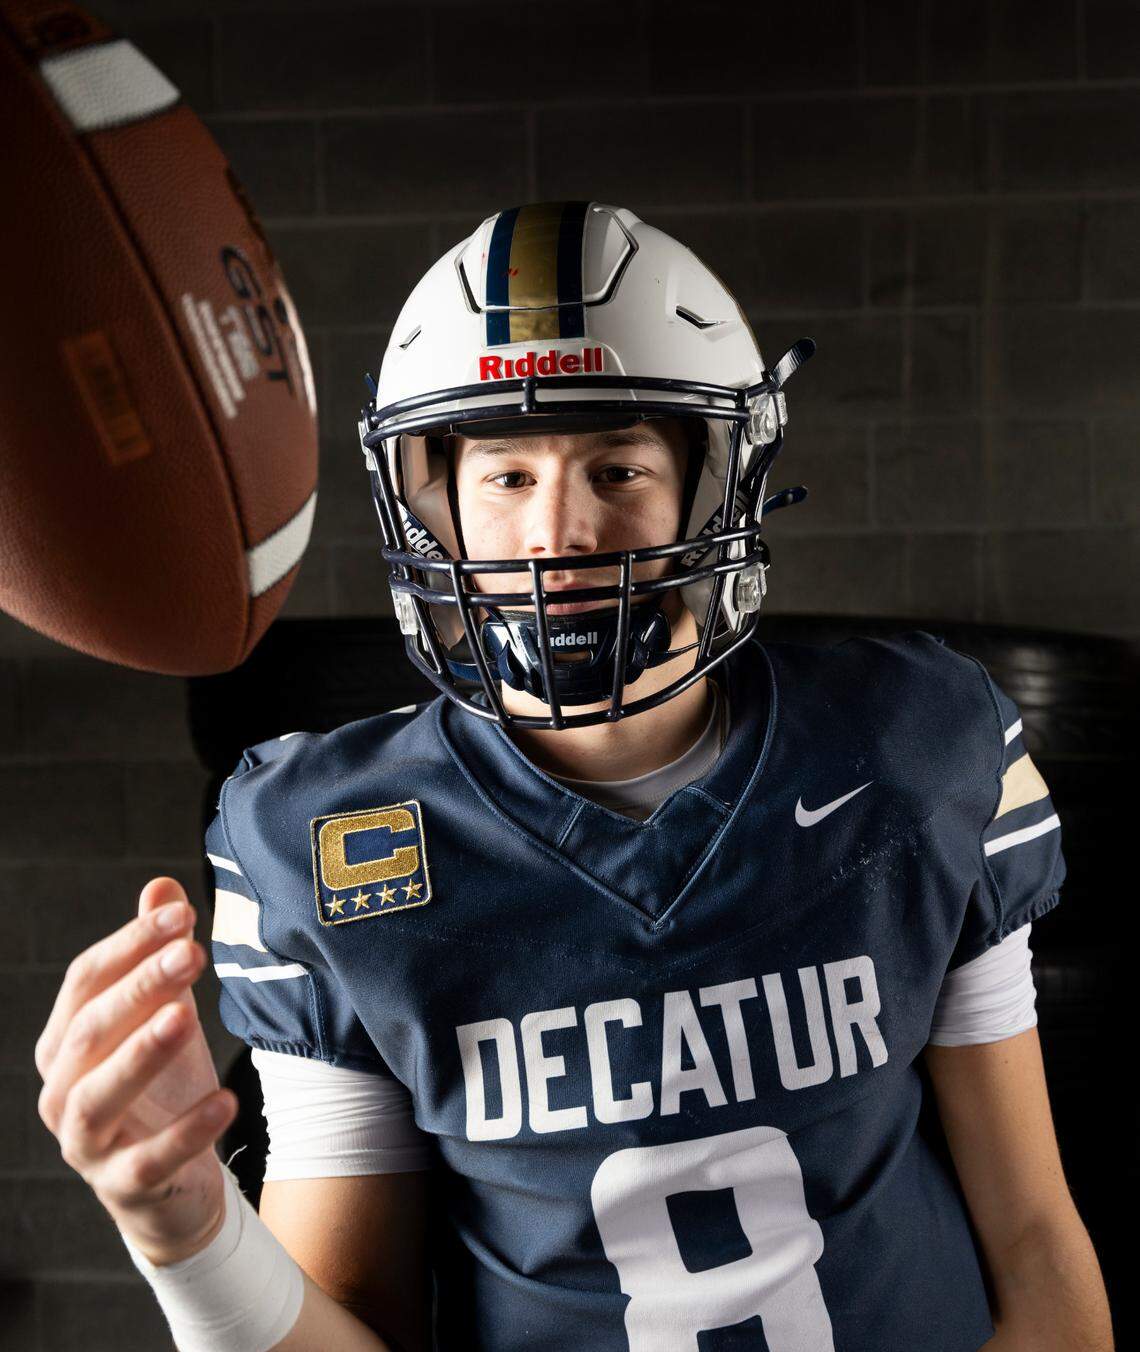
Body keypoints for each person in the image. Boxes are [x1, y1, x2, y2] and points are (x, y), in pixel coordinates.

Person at [35, 202, 1113, 1352]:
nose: (559, 531)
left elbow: (1040, 1254)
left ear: (715, 483)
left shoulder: (913, 746)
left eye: (617, 465)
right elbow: (359, 1327)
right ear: (431, 503)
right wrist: (190, 1233)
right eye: (503, 475)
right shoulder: (331, 840)